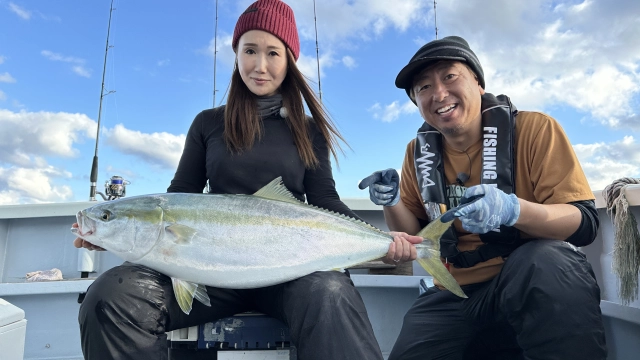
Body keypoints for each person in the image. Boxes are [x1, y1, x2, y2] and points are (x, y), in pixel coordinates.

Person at [72, 1, 422, 359]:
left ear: (289, 61)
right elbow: (179, 199)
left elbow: (324, 201)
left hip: (291, 271)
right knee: (111, 297)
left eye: (273, 53)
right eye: (249, 50)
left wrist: (383, 241)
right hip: (208, 272)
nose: (260, 65)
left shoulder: (308, 130)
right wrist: (114, 235)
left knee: (330, 293)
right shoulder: (208, 123)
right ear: (236, 55)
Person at [359, 36, 607, 359]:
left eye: (449, 76)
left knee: (550, 264)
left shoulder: (535, 131)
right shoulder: (416, 154)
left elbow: (584, 223)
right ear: (417, 103)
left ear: (477, 82)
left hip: (523, 277)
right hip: (452, 291)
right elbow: (416, 233)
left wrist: (513, 210)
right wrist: (390, 201)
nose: (439, 93)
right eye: (423, 88)